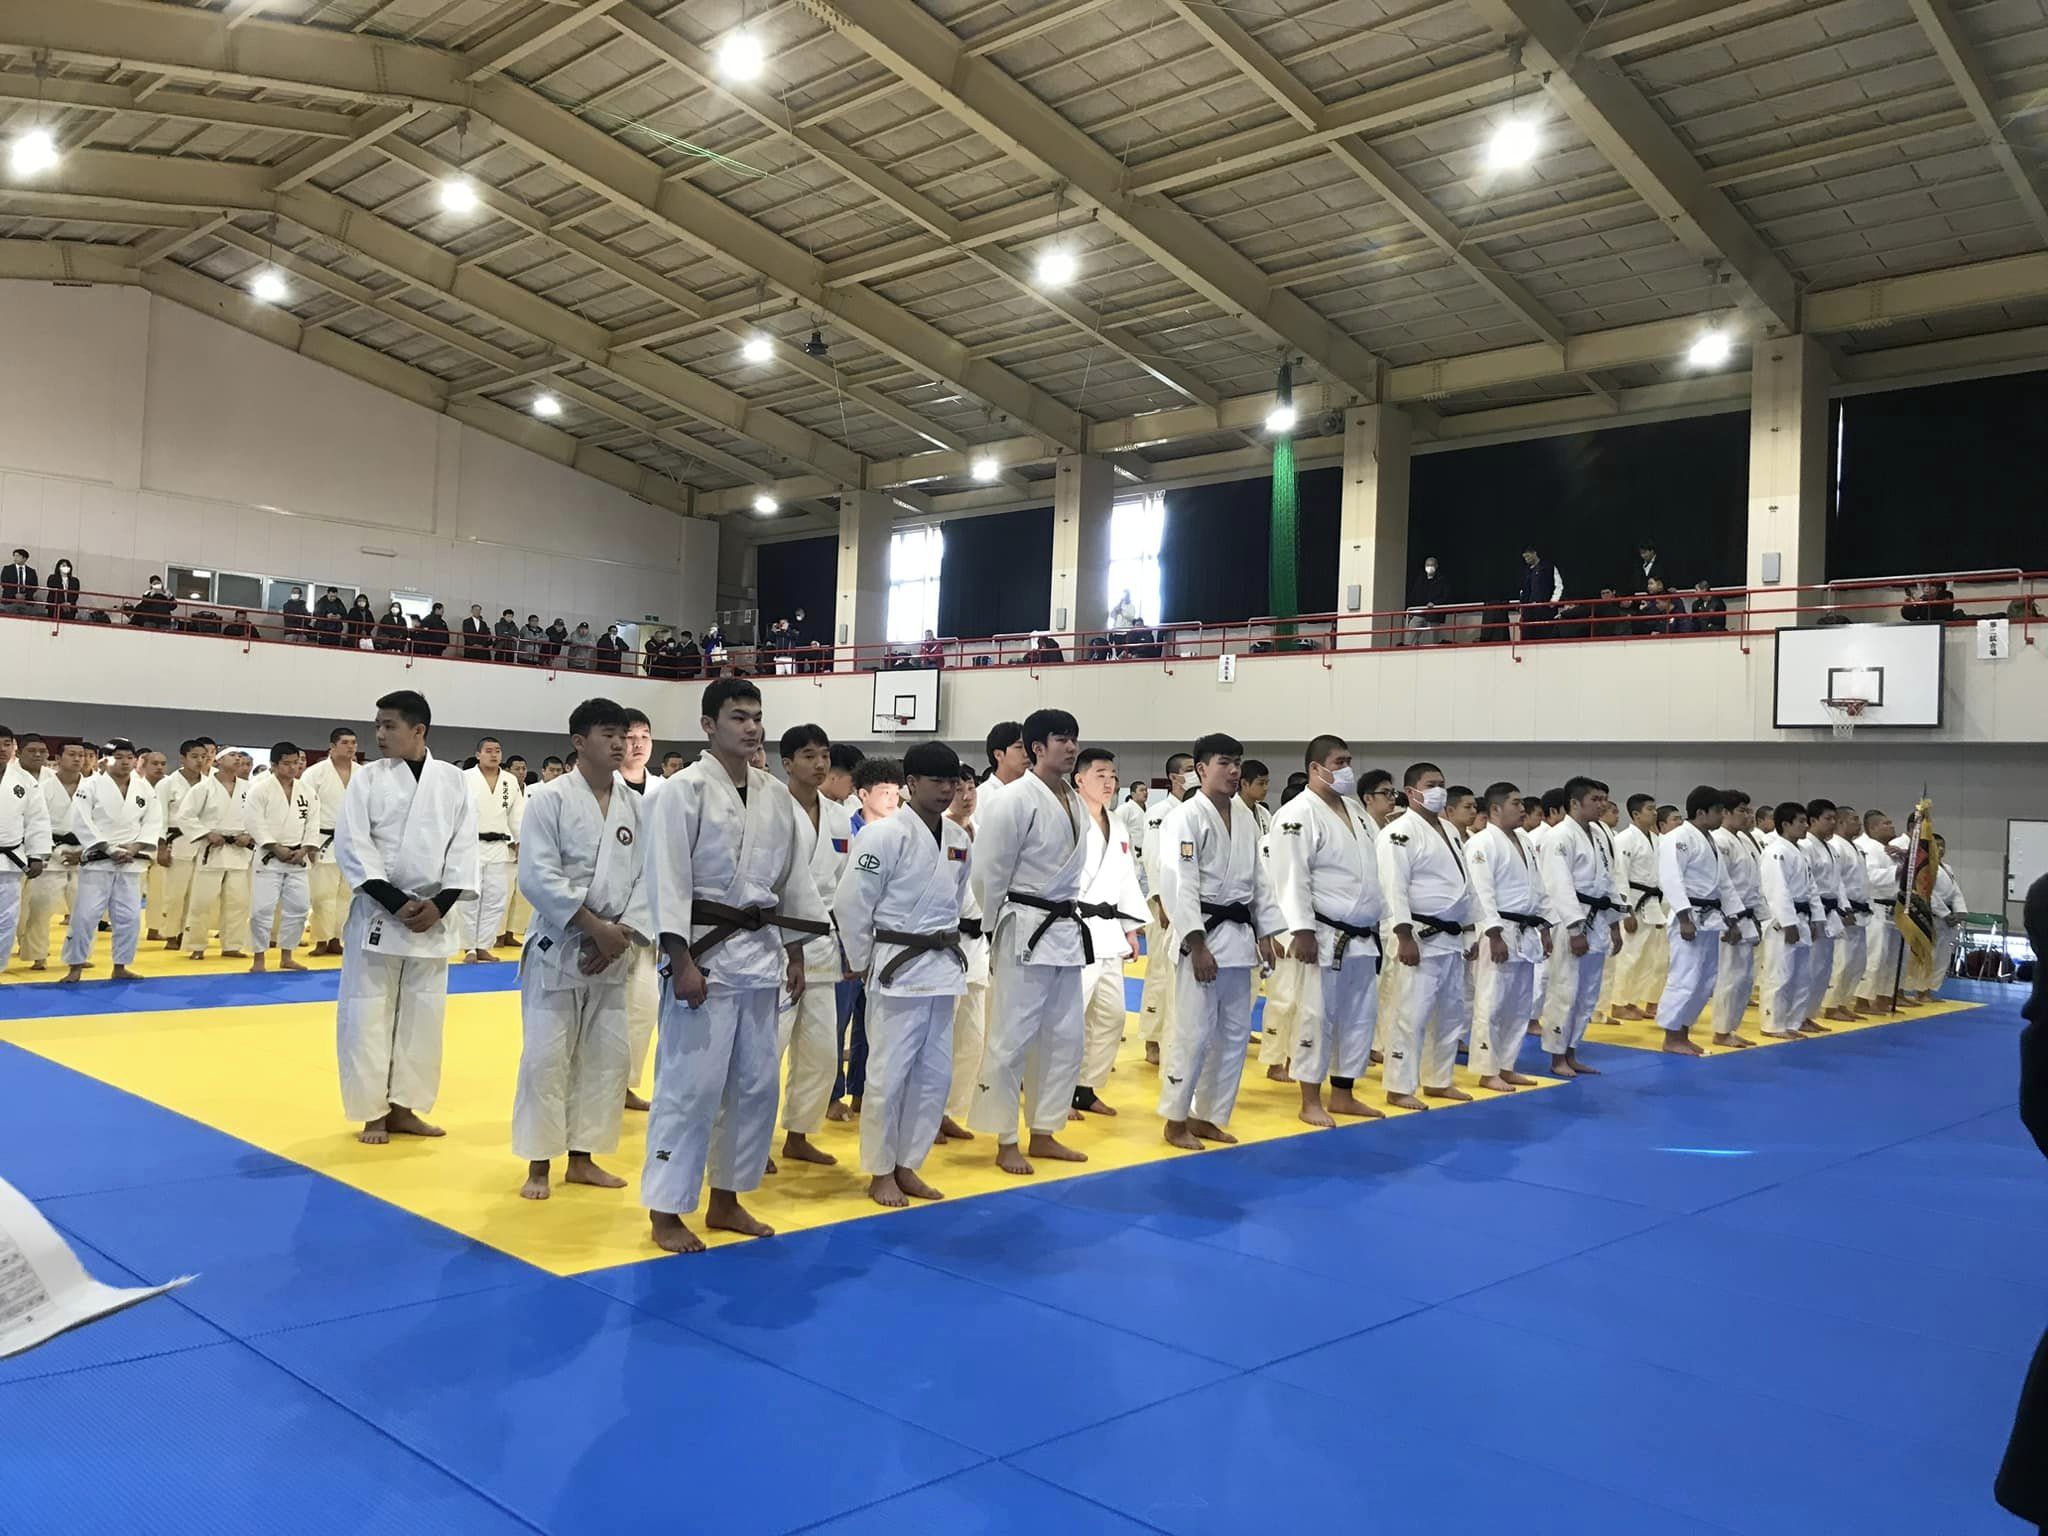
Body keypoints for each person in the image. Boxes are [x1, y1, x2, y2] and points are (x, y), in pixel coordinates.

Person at [641, 677, 828, 1254]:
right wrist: (680, 959)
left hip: (761, 955)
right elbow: (667, 879)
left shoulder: (774, 794)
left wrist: (795, 950)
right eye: (738, 717)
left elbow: (792, 879)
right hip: (704, 954)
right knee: (690, 1087)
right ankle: (666, 1208)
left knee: (755, 1085)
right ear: (708, 725)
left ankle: (727, 1198)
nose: (751, 727)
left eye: (756, 717)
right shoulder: (682, 791)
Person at [511, 697, 651, 1202]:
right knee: (546, 1059)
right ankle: (539, 1164)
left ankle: (583, 1159)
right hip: (561, 944)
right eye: (608, 734)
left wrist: (621, 933)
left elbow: (649, 877)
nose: (620, 744)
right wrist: (593, 926)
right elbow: (536, 875)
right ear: (579, 741)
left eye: (624, 735)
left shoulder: (636, 805)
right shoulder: (548, 799)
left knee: (605, 1059)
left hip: (613, 950)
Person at [333, 690, 479, 1145]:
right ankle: (372, 1113)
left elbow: (464, 846)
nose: (379, 734)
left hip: (432, 916)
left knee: (424, 1017)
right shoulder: (367, 779)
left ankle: (404, 1108)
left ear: (419, 730)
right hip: (381, 912)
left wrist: (441, 904)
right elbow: (353, 845)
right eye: (377, 725)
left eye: (389, 725)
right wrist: (394, 902)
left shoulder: (452, 780)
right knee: (367, 1014)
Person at [832, 740, 970, 1206]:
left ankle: (908, 1164)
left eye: (952, 781)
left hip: (942, 969)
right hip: (897, 970)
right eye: (937, 781)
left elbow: (955, 902)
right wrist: (860, 959)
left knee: (934, 1076)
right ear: (911, 783)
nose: (947, 790)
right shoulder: (882, 836)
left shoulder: (959, 839)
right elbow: (851, 902)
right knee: (888, 1075)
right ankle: (879, 1170)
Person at [969, 708, 1094, 1174]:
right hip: (1024, 928)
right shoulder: (1014, 799)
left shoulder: (1074, 799)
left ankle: (1043, 1131)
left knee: (1065, 1037)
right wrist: (992, 928)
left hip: (1064, 929)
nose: (1071, 746)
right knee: (1011, 1038)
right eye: (1061, 738)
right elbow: (988, 873)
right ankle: (1005, 1139)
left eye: (1074, 737)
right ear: (1037, 747)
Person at [1269, 735, 1387, 1124]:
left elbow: (1371, 872)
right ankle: (1310, 1100)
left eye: (1349, 761)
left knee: (1359, 1018)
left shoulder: (1356, 811)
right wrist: (1300, 929)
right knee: (1315, 1017)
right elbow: (1291, 878)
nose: (1347, 769)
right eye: (1339, 762)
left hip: (1362, 935)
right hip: (1323, 935)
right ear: (1315, 768)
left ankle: (1343, 1093)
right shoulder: (1296, 813)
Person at [1376, 762, 1477, 1110]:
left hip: (1450, 936)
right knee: (1410, 1015)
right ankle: (1399, 1086)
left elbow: (1466, 883)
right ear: (1411, 791)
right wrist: (1403, 935)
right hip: (1417, 935)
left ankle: (1438, 1079)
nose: (1439, 791)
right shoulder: (1398, 832)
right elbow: (1393, 888)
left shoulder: (1449, 829)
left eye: (1442, 784)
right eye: (1431, 784)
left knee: (1450, 1013)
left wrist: (1472, 928)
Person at [775, 723, 853, 1168]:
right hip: (775, 944)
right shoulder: (771, 808)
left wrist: (852, 947)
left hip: (824, 944)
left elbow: (846, 888)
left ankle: (798, 1134)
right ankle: (747, 1142)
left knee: (821, 1054)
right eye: (809, 756)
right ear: (787, 763)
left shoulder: (839, 816)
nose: (820, 764)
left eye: (824, 755)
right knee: (767, 1051)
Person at [1071, 748, 1146, 1117]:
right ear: (1079, 779)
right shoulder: (1066, 817)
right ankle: (1053, 1090)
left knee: (1112, 1016)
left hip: (1108, 932)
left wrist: (1130, 928)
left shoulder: (1117, 824)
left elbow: (1126, 878)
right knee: (1069, 1018)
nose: (1109, 782)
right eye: (1100, 775)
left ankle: (1084, 1088)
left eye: (1113, 776)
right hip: (1072, 930)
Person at [1464, 781, 1550, 1092]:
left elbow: (1538, 887)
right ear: (1496, 808)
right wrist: (1493, 933)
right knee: (1492, 1003)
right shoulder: (1481, 843)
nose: (1522, 808)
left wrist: (1546, 927)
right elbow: (1481, 892)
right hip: (1498, 931)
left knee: (1519, 1004)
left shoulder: (1524, 840)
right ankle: (1487, 1070)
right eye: (1516, 803)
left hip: (1525, 930)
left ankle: (1506, 1065)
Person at [1539, 775, 1626, 1078]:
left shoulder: (1600, 834)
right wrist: (1575, 930)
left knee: (1587, 994)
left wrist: (1615, 923)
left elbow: (1609, 880)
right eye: (1595, 800)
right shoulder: (1559, 836)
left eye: (1604, 799)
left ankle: (1572, 1050)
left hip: (1598, 919)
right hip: (1571, 923)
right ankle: (1556, 1056)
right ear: (1575, 803)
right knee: (1565, 990)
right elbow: (1558, 885)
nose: (1602, 805)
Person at [1653, 786, 1745, 1056]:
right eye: (1718, 811)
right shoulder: (1678, 837)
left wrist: (1733, 919)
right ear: (1701, 812)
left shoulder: (1709, 839)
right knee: (1685, 977)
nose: (1722, 816)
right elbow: (1671, 878)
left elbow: (1724, 884)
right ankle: (1671, 1037)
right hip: (1690, 917)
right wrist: (1684, 917)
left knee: (1705, 980)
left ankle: (1683, 1032)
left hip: (1711, 918)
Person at [60, 739, 161, 983]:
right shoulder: (90, 786)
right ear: (105, 760)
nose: (125, 762)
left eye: (130, 757)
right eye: (119, 757)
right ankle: (75, 966)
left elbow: (153, 821)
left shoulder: (144, 788)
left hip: (130, 862)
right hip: (99, 861)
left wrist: (137, 846)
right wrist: (107, 848)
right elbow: (81, 821)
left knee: (129, 917)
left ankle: (120, 966)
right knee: (85, 916)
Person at [1139, 751, 1196, 1063]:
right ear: (1174, 777)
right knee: (1160, 970)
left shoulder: (1194, 809)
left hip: (1187, 903)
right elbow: (1153, 857)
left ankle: (1175, 1035)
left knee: (1180, 974)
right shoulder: (1159, 812)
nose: (1194, 773)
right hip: (1163, 903)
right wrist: (1161, 900)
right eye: (1188, 769)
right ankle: (1152, 1038)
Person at [177, 749, 254, 961]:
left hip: (239, 851)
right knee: (202, 901)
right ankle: (196, 945)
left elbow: (259, 816)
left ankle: (232, 945)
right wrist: (206, 833)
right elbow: (185, 816)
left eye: (239, 756)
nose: (238, 758)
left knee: (238, 902)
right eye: (232, 755)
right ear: (218, 761)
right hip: (212, 849)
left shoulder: (250, 788)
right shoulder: (204, 788)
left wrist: (249, 835)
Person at [246, 742, 314, 974]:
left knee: (299, 908)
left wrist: (305, 849)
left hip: (298, 858)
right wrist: (275, 847)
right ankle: (258, 958)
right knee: (261, 910)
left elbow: (312, 823)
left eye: (296, 763)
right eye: (287, 763)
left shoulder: (307, 791)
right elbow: (254, 823)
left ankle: (287, 956)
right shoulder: (260, 790)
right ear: (274, 765)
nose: (293, 767)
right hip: (269, 857)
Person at [1705, 790, 1764, 1049]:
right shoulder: (1720, 840)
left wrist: (1759, 917)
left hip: (1746, 914)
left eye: (1749, 810)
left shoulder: (1742, 840)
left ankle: (1731, 1028)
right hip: (1730, 918)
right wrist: (1730, 921)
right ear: (1726, 812)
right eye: (1742, 810)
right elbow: (1720, 885)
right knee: (1729, 976)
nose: (1748, 815)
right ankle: (1721, 1031)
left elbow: (1754, 884)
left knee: (1744, 978)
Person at [1756, 802, 1817, 1037]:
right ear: (1785, 824)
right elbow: (1776, 890)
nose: (1805, 826)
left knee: (1801, 976)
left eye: (1806, 821)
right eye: (1800, 821)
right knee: (1779, 976)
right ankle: (1772, 1025)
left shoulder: (1800, 851)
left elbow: (1811, 888)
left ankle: (1793, 1023)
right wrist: (1788, 923)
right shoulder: (1776, 851)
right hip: (1783, 922)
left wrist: (1817, 919)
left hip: (1802, 917)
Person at [460, 737, 523, 963]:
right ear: (478, 755)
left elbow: (517, 815)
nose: (494, 754)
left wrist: (521, 841)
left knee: (495, 899)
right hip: (471, 845)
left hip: (499, 846)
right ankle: (469, 947)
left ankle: (484, 945)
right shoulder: (465, 778)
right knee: (470, 898)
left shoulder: (509, 780)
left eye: (497, 750)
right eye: (488, 751)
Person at [299, 728, 357, 959]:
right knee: (322, 895)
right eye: (345, 742)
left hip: (353, 841)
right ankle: (321, 939)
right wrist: (309, 842)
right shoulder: (315, 774)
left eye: (353, 742)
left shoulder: (363, 774)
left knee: (346, 895)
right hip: (322, 840)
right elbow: (305, 810)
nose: (351, 747)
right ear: (332, 747)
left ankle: (336, 939)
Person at [19, 737, 77, 971]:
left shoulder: (91, 787)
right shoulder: (41, 787)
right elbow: (32, 820)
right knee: (39, 908)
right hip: (48, 853)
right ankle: (37, 954)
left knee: (84, 911)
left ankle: (78, 954)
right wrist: (39, 850)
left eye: (81, 755)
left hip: (81, 853)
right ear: (59, 758)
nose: (77, 759)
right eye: (72, 754)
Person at [1610, 794, 1667, 1023]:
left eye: (1655, 808)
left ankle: (1632, 1001)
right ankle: (1618, 1004)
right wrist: (1626, 911)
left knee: (1646, 957)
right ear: (1636, 814)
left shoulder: (1655, 839)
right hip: (1634, 902)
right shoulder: (1625, 839)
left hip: (1651, 902)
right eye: (1650, 809)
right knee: (1629, 956)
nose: (1655, 813)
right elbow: (1619, 876)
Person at [0, 726, 52, 967]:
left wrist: (36, 855)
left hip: (10, 860)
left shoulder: (25, 781)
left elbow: (37, 819)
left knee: (7, 918)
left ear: (13, 748)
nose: (2, 749)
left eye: (6, 744)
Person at [150, 739, 208, 945]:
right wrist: (161, 847)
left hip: (203, 842)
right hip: (176, 841)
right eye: (194, 756)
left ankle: (187, 933)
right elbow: (159, 817)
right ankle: (171, 934)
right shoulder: (167, 784)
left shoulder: (209, 783)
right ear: (183, 758)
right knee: (175, 893)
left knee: (197, 894)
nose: (199, 761)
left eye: (203, 757)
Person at [1797, 798, 1846, 1031]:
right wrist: (1814, 915)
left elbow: (1838, 883)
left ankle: (1809, 1015)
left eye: (1835, 818)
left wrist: (1844, 907)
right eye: (1828, 818)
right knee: (1809, 968)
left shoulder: (1831, 848)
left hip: (1830, 911)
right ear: (1812, 820)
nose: (1833, 823)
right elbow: (1808, 884)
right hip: (1814, 912)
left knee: (1823, 969)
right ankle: (1798, 1017)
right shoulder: (1805, 846)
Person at [1824, 802, 1874, 1021]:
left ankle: (1843, 1002)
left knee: (1857, 962)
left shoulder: (1853, 846)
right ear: (1841, 822)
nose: (1859, 823)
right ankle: (1831, 1006)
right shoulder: (1836, 846)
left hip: (1860, 910)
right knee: (1842, 961)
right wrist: (1843, 909)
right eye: (1854, 819)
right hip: (1846, 910)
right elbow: (1837, 882)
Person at [1856, 810, 1902, 1009]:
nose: (1892, 826)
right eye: (1886, 823)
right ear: (1873, 828)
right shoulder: (1867, 848)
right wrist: (1898, 869)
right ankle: (1862, 1000)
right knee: (1875, 955)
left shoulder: (1889, 850)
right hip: (1876, 906)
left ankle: (1883, 996)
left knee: (1889, 958)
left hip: (1892, 908)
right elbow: (1871, 877)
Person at [1516, 544, 1563, 639]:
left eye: (1528, 556)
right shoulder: (1526, 572)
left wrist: (1554, 601)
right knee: (1528, 636)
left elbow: (1559, 586)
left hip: (1545, 609)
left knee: (1545, 636)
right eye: (1524, 557)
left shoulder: (1548, 567)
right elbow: (1522, 590)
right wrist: (1522, 605)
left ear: (1534, 553)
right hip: (1529, 610)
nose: (1526, 559)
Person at [1405, 555, 1451, 645]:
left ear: (1436, 566)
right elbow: (1414, 595)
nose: (1429, 567)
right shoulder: (1420, 579)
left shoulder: (1442, 580)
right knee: (1411, 633)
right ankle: (1409, 648)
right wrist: (1412, 610)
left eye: (1432, 565)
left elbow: (1446, 597)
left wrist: (1435, 603)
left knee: (1432, 639)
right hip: (1420, 612)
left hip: (1434, 614)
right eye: (1427, 565)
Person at [1, 549, 37, 616]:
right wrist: (15, 594)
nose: (15, 558)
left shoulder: (32, 571)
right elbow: (4, 584)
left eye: (18, 556)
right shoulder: (7, 569)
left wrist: (24, 595)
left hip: (26, 601)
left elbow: (34, 586)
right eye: (14, 556)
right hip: (10, 601)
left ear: (24, 558)